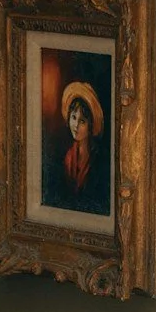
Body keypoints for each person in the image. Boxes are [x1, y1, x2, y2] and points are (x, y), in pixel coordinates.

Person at [44, 81, 107, 215]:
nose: (76, 125)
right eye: (73, 117)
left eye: (82, 121)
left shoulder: (98, 159)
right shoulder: (66, 156)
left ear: (90, 126)